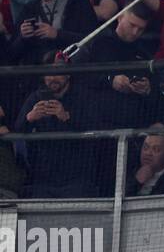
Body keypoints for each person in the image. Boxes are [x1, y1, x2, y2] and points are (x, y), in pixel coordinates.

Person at [16, 54, 101, 198]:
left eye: (58, 72)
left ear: (68, 74)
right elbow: (17, 130)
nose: (52, 78)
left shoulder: (83, 96)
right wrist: (30, 118)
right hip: (43, 176)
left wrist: (67, 117)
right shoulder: (36, 97)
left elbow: (96, 128)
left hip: (77, 176)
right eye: (48, 73)